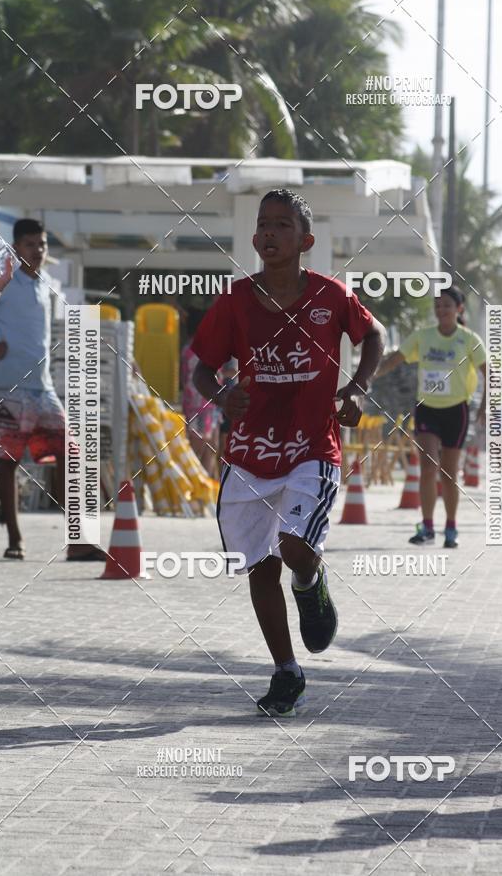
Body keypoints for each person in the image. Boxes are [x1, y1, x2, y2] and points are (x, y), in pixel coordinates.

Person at [192, 188, 385, 717]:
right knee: (258, 568)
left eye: (282, 224)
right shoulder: (233, 301)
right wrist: (220, 393)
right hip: (249, 453)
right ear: (254, 237)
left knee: (294, 546)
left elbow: (375, 336)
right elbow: (201, 368)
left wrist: (358, 388)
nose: (270, 233)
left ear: (306, 240)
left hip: (311, 447)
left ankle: (311, 581)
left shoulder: (330, 296)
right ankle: (286, 671)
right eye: (264, 224)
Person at [0, 219, 105, 561]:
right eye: (30, 244)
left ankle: (80, 540)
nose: (38, 251)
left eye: (42, 244)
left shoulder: (44, 285)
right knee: (7, 464)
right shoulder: (5, 279)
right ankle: (15, 539)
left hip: (42, 389)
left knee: (71, 455)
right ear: (16, 247)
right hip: (8, 387)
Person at [375, 285, 486, 549]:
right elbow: (395, 360)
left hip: (456, 410)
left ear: (458, 309)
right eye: (437, 305)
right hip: (427, 408)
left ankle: (450, 526)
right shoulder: (422, 337)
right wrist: (367, 376)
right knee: (427, 467)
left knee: (449, 473)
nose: (441, 310)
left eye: (447, 305)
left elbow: (489, 373)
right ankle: (426, 526)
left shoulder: (469, 339)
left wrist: (484, 409)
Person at [181, 308, 220, 477]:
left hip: (193, 406)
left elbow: (183, 379)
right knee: (210, 452)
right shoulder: (210, 347)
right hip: (210, 406)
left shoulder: (186, 351)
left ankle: (199, 494)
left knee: (194, 456)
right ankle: (209, 496)